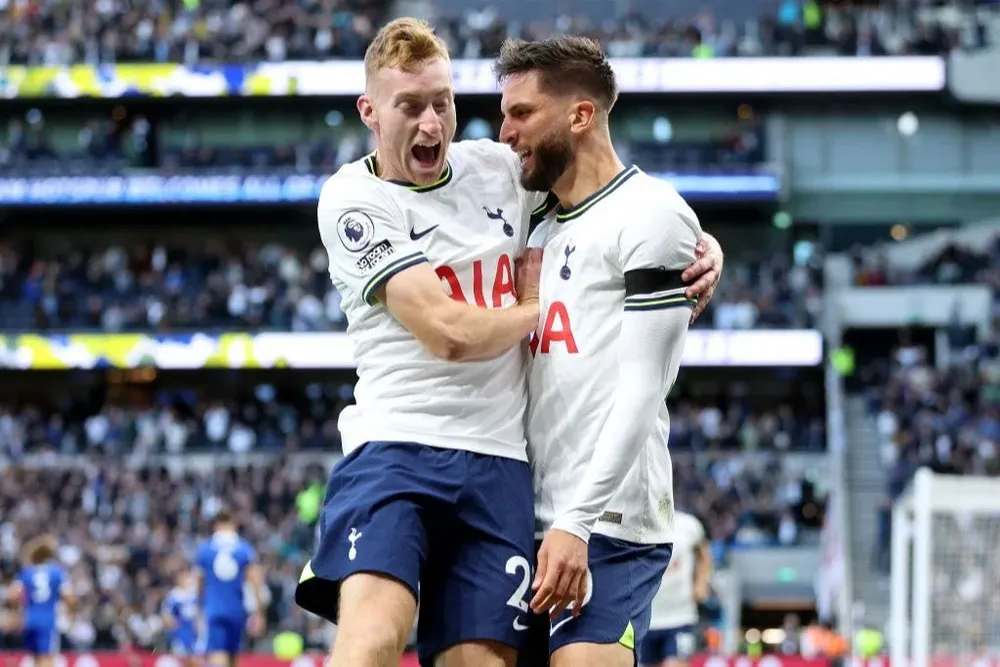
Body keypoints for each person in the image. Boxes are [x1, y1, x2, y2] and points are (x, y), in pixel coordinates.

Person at [294, 17, 725, 667]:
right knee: (373, 640)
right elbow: (448, 331)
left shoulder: (505, 175)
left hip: (524, 482)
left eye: (443, 103)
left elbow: (619, 209)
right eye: (410, 107)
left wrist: (698, 249)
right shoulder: (358, 197)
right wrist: (532, 306)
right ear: (370, 112)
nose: (436, 124)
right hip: (400, 452)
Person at [494, 36, 707, 667]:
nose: (504, 132)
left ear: (580, 116)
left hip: (609, 524)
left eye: (521, 113)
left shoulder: (650, 214)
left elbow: (644, 390)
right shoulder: (536, 219)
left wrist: (576, 522)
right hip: (524, 516)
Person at [640, 511, 713, 667]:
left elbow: (704, 554)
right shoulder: (636, 520)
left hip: (681, 616)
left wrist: (701, 583)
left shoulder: (688, 524)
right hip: (646, 618)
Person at [194, 509, 265, 667]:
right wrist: (259, 612)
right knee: (233, 656)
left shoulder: (205, 549)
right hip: (237, 610)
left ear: (215, 525)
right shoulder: (244, 548)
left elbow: (199, 582)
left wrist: (198, 606)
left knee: (217, 653)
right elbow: (256, 580)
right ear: (233, 524)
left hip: (214, 610)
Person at [7, 536, 73, 667]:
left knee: (35, 659)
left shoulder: (26, 572)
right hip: (47, 621)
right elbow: (69, 596)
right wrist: (70, 613)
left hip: (29, 620)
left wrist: (17, 612)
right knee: (47, 659)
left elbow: (13, 594)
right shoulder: (57, 572)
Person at [162, 568, 200, 667]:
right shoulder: (174, 596)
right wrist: (175, 627)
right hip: (181, 631)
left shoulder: (195, 594)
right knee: (183, 658)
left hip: (195, 631)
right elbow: (166, 615)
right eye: (184, 577)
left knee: (196, 657)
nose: (187, 580)